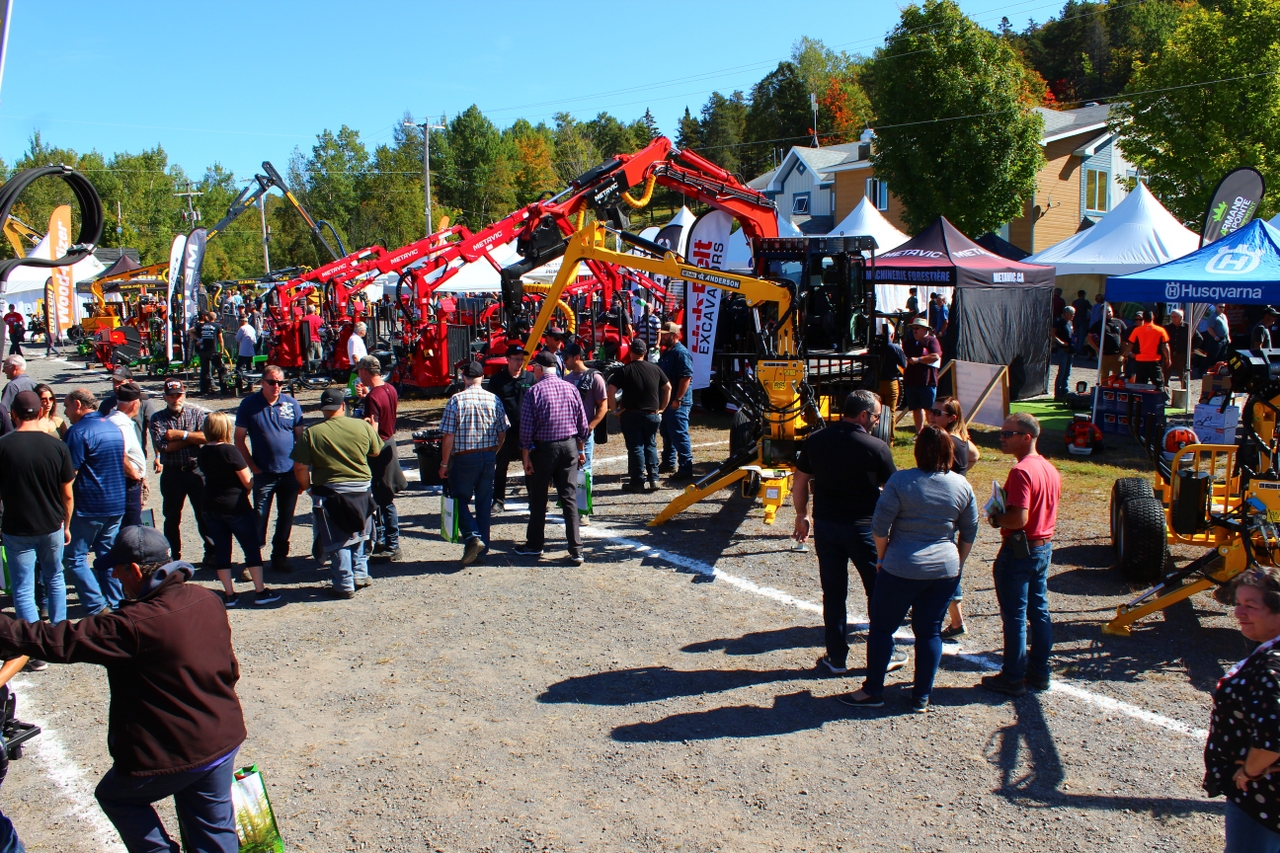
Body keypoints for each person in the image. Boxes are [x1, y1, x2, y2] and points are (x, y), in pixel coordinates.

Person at [0, 525, 246, 853]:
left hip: (176, 752)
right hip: (221, 737)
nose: (114, 576)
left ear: (134, 569)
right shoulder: (207, 598)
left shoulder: (132, 624)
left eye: (117, 568)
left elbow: (58, 641)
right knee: (214, 828)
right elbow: (230, 669)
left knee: (116, 796)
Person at [837, 426, 979, 710]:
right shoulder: (962, 485)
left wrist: (882, 556)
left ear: (918, 451)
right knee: (929, 632)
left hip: (901, 565)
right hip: (944, 568)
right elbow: (969, 531)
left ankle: (873, 691)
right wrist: (957, 561)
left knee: (882, 629)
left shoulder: (901, 481)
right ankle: (921, 696)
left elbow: (879, 525)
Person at [793, 390, 904, 675]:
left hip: (827, 526)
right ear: (865, 415)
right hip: (863, 528)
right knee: (877, 591)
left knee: (833, 593)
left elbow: (800, 482)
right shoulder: (876, 447)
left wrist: (801, 515)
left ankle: (836, 656)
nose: (877, 421)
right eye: (877, 416)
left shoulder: (815, 440)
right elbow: (894, 490)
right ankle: (883, 654)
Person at [982, 412, 1061, 697]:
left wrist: (995, 518)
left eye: (1007, 434)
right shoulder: (1048, 468)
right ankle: (1039, 672)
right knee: (1039, 612)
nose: (1001, 438)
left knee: (1014, 616)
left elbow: (1018, 519)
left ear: (1027, 437)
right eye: (1002, 433)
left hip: (1019, 549)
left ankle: (1012, 677)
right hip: (1042, 547)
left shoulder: (1021, 471)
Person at [1203, 567, 1280, 853]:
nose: (1238, 613)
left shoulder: (1272, 669)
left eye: (1251, 606)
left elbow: (1270, 741)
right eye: (1237, 603)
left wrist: (1249, 772)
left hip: (1261, 797)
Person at [0, 390, 74, 650]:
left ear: (14, 414)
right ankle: (61, 637)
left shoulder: (3, 446)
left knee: (23, 586)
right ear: (41, 412)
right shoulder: (56, 446)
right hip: (52, 524)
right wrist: (66, 524)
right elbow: (67, 494)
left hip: (16, 527)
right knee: (55, 577)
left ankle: (33, 648)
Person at [292, 387, 381, 598]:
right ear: (344, 406)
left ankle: (343, 583)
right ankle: (360, 573)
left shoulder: (312, 433)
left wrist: (309, 489)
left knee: (338, 538)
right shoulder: (362, 426)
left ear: (323, 408)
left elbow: (299, 468)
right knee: (360, 530)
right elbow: (376, 451)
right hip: (361, 490)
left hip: (331, 492)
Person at [515, 350, 589, 563]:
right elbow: (582, 424)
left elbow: (526, 429)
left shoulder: (534, 392)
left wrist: (526, 456)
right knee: (569, 498)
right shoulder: (570, 388)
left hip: (544, 449)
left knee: (538, 498)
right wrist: (580, 449)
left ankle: (535, 544)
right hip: (569, 447)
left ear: (538, 369)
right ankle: (576, 548)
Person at [199, 412, 278, 607]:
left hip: (210, 505)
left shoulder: (202, 451)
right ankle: (260, 591)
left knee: (222, 549)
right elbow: (247, 482)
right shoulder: (230, 451)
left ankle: (229, 594)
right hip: (235, 506)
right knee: (251, 547)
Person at [439, 361, 509, 565]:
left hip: (464, 456)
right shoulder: (493, 399)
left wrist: (444, 463)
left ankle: (471, 535)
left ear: (464, 378)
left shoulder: (456, 400)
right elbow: (502, 431)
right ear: (482, 377)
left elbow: (448, 435)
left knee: (458, 500)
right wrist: (494, 450)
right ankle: (482, 550)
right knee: (483, 503)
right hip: (487, 455)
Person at [235, 365, 304, 573]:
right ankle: (253, 560)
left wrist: (301, 470)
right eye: (272, 382)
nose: (277, 387)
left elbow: (301, 438)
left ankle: (280, 556)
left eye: (281, 383)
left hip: (289, 473)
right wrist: (253, 467)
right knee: (259, 516)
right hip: (263, 472)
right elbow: (238, 440)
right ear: (262, 382)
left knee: (286, 516)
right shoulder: (249, 405)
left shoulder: (291, 404)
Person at [64, 389, 127, 614]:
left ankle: (96, 604)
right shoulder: (112, 427)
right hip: (116, 502)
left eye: (67, 406)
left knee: (74, 557)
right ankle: (117, 602)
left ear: (78, 405)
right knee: (107, 554)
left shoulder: (78, 432)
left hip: (89, 506)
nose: (65, 411)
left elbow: (68, 475)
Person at [927, 397, 980, 639]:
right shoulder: (963, 440)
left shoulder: (943, 440)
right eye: (931, 410)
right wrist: (962, 474)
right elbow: (975, 456)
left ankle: (956, 620)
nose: (931, 415)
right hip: (956, 504)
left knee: (945, 560)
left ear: (952, 418)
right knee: (948, 557)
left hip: (942, 506)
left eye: (938, 412)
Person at [148, 379, 215, 566]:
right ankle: (173, 555)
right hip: (172, 473)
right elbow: (163, 446)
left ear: (184, 395)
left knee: (204, 513)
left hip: (196, 470)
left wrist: (180, 435)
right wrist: (192, 438)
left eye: (178, 395)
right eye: (171, 395)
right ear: (165, 397)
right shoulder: (157, 418)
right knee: (171, 516)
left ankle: (212, 552)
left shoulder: (196, 414)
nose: (175, 398)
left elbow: (207, 436)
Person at [354, 355, 403, 560]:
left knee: (384, 498)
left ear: (365, 371)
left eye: (359, 371)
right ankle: (386, 540)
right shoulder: (389, 389)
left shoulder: (374, 396)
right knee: (385, 497)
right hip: (389, 441)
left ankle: (392, 543)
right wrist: (367, 397)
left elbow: (372, 429)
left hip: (379, 447)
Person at [607, 338, 670, 492]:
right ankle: (654, 478)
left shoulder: (624, 370)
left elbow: (611, 390)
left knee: (636, 447)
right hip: (652, 414)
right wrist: (662, 408)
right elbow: (668, 387)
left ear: (630, 352)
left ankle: (637, 481)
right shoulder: (655, 369)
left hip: (632, 414)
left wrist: (614, 409)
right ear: (645, 352)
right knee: (650, 445)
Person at [488, 342, 533, 513]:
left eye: (522, 359)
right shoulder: (497, 381)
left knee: (529, 466)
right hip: (505, 433)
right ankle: (498, 500)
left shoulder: (529, 378)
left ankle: (533, 498)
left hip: (526, 432)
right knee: (500, 467)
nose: (519, 362)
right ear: (507, 359)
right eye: (516, 359)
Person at [104, 382, 148, 528]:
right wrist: (134, 474)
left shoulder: (114, 419)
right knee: (131, 526)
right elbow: (119, 453)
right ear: (135, 404)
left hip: (122, 482)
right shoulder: (121, 423)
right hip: (127, 483)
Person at [657, 321, 694, 480]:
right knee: (667, 433)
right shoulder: (667, 352)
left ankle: (686, 468)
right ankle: (669, 462)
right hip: (668, 401)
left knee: (679, 434)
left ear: (673, 335)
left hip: (678, 402)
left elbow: (686, 377)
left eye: (665, 335)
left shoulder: (681, 353)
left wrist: (678, 399)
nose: (662, 337)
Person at [563, 343, 607, 473]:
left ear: (576, 357)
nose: (564, 361)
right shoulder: (565, 379)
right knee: (569, 468)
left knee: (584, 468)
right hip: (568, 432)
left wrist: (590, 426)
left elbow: (603, 406)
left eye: (566, 358)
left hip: (585, 431)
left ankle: (584, 494)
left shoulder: (595, 377)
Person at [901, 317, 942, 433]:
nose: (914, 331)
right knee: (915, 408)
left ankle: (934, 433)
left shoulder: (931, 341)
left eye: (917, 328)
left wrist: (918, 360)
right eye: (913, 328)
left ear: (925, 329)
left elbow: (936, 356)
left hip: (927, 381)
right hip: (911, 380)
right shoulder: (908, 343)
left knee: (929, 409)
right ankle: (919, 432)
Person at [1123, 310, 1172, 384]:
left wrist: (1126, 355)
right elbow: (1165, 346)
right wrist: (1168, 358)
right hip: (1154, 360)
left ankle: (1141, 395)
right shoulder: (1160, 330)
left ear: (1144, 318)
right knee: (1158, 384)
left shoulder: (1137, 330)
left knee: (1140, 384)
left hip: (1140, 360)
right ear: (1153, 318)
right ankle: (1158, 395)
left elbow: (1130, 345)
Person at [877, 323, 906, 425]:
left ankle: (876, 433)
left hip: (877, 383)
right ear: (892, 335)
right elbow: (904, 364)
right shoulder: (895, 348)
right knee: (891, 412)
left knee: (877, 411)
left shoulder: (876, 347)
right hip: (891, 381)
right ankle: (890, 438)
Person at [1087, 304, 1126, 380]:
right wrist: (1097, 349)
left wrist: (1123, 352)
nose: (1108, 313)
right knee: (1104, 375)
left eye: (1109, 311)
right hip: (1105, 355)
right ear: (1102, 313)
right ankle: (1104, 390)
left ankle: (1116, 390)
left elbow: (1126, 336)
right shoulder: (1099, 324)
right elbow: (1089, 337)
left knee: (1118, 376)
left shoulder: (1119, 322)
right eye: (1106, 312)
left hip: (1117, 354)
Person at [196, 312, 227, 396]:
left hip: (203, 351)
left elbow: (191, 331)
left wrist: (197, 339)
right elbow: (220, 339)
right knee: (221, 369)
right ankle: (223, 388)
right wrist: (221, 350)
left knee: (204, 371)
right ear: (215, 318)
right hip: (213, 351)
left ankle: (204, 390)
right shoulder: (217, 326)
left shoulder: (201, 326)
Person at [1051, 306, 1075, 398]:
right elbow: (1052, 333)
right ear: (1066, 314)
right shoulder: (1060, 322)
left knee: (1067, 371)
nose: (1073, 316)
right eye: (1071, 314)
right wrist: (1060, 342)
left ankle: (1065, 390)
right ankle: (1058, 393)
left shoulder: (1070, 323)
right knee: (1062, 371)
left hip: (1070, 349)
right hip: (1063, 349)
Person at [1163, 308, 1190, 388]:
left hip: (1182, 356)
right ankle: (1164, 394)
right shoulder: (1167, 327)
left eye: (1175, 317)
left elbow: (1199, 339)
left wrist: (1189, 349)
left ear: (1181, 317)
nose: (1173, 319)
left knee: (1183, 377)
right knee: (1165, 376)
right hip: (1169, 355)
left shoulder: (1187, 327)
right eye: (1172, 317)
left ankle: (1184, 395)